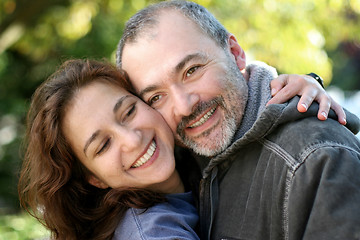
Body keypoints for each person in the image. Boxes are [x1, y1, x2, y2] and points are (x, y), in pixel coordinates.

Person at [116, 1, 360, 239]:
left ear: (235, 53)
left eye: (192, 70)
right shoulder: (171, 165)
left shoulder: (316, 160)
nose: (183, 106)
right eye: (156, 97)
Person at [18, 59, 200, 240]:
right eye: (104, 145)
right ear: (94, 178)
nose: (133, 140)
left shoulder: (197, 159)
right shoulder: (151, 233)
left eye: (129, 112)